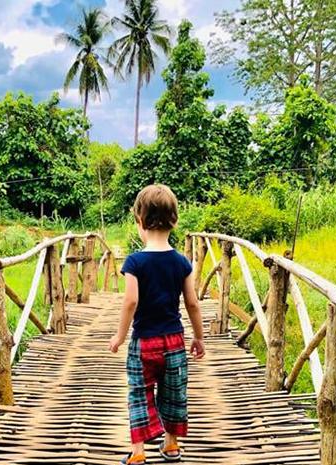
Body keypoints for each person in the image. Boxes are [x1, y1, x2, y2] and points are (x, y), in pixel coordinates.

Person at [109, 184, 206, 465]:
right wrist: (199, 337)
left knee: (139, 393)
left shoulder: (135, 262)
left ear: (139, 221)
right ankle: (172, 445)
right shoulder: (181, 262)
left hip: (143, 343)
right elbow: (192, 303)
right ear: (174, 221)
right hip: (174, 341)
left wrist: (119, 336)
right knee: (174, 392)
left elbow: (130, 302)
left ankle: (138, 451)